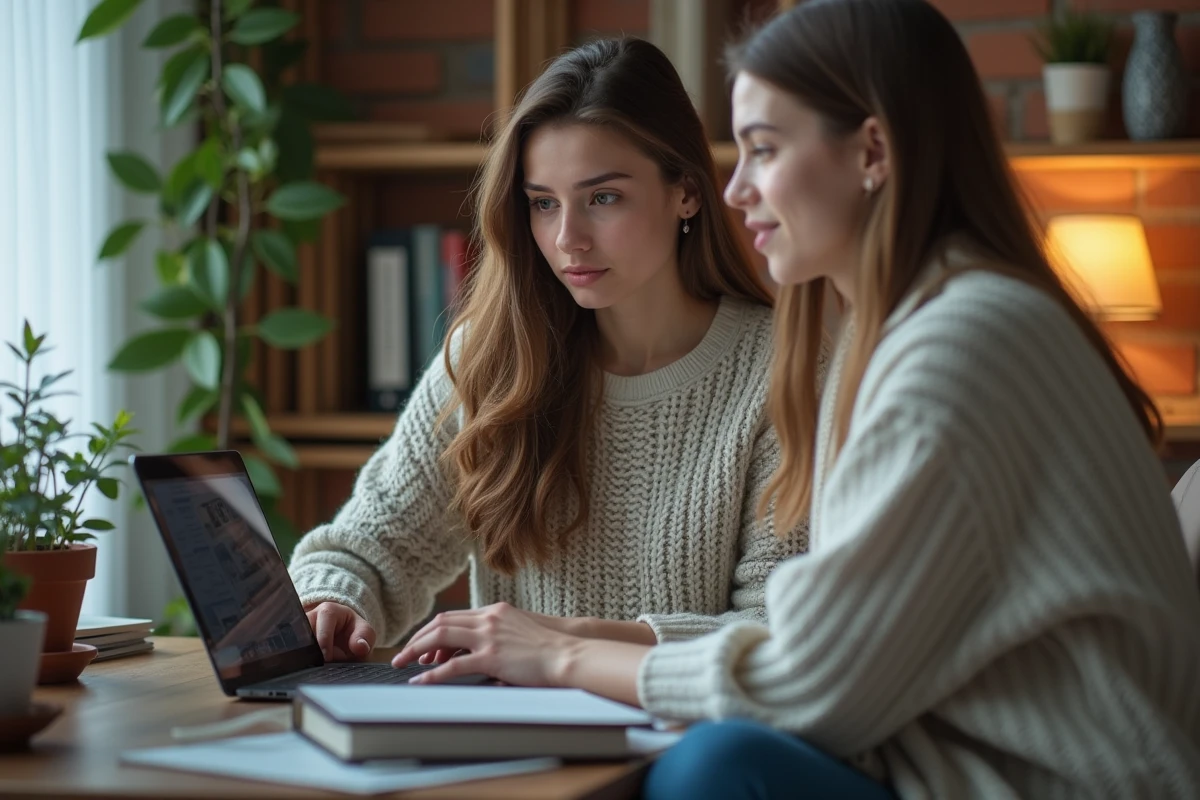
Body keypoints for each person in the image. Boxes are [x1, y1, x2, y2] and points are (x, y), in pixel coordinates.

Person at [392, 1, 1200, 797]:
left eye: (764, 150)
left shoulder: (960, 347)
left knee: (710, 770)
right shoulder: (919, 327)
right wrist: (566, 632)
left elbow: (809, 679)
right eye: (543, 202)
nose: (736, 190)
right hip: (949, 763)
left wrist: (562, 656)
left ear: (871, 152)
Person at [289, 37, 810, 666]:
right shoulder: (491, 357)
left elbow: (777, 633)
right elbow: (368, 547)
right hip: (510, 742)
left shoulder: (788, 366)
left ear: (687, 193)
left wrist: (557, 644)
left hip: (686, 747)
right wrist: (334, 601)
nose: (568, 238)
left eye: (603, 197)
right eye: (543, 203)